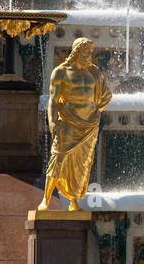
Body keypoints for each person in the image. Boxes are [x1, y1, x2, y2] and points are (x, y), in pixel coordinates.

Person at [39, 38, 113, 212]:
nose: (89, 56)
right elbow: (53, 101)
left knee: (84, 164)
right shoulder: (61, 72)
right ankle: (46, 200)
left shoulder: (93, 72)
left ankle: (74, 202)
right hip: (68, 122)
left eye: (90, 52)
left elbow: (105, 96)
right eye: (86, 52)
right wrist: (52, 122)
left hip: (89, 125)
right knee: (57, 159)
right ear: (76, 52)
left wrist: (97, 109)